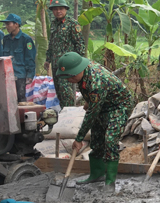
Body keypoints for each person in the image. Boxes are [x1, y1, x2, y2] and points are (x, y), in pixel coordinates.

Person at [57, 52, 134, 192]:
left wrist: (79, 138)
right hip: (102, 104)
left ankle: (110, 183)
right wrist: (90, 101)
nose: (69, 80)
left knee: (110, 140)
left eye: (71, 77)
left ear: (78, 71)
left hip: (118, 106)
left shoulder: (96, 81)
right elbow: (93, 103)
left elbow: (92, 113)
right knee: (96, 139)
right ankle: (96, 174)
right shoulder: (83, 74)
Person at [44, 0, 86, 107]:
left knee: (66, 92)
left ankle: (70, 114)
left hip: (67, 65)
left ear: (66, 9)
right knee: (59, 91)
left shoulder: (72, 24)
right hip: (55, 64)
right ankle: (63, 114)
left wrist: (78, 63)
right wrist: (48, 60)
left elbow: (80, 44)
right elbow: (51, 43)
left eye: (61, 9)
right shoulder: (53, 24)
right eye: (55, 9)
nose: (58, 11)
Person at [1, 14, 37, 103]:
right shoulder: (6, 39)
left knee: (20, 98)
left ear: (16, 24)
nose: (6, 27)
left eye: (8, 24)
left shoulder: (26, 39)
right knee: (7, 99)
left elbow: (30, 58)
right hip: (7, 74)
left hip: (20, 74)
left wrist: (29, 75)